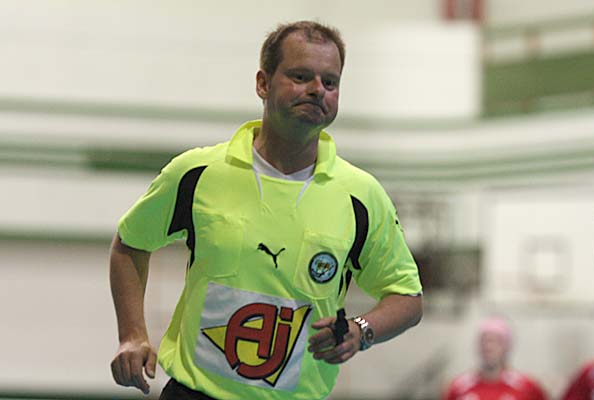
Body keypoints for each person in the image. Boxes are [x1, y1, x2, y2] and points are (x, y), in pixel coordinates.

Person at [109, 20, 423, 400]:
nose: (317, 90)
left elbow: (407, 297)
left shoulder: (362, 196)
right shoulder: (197, 173)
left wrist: (361, 330)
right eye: (300, 76)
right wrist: (132, 335)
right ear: (263, 83)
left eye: (330, 82)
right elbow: (130, 243)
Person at [443, 316, 548, 400]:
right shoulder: (458, 387)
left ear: (507, 346)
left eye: (496, 341)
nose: (489, 347)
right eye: (484, 340)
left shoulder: (528, 388)